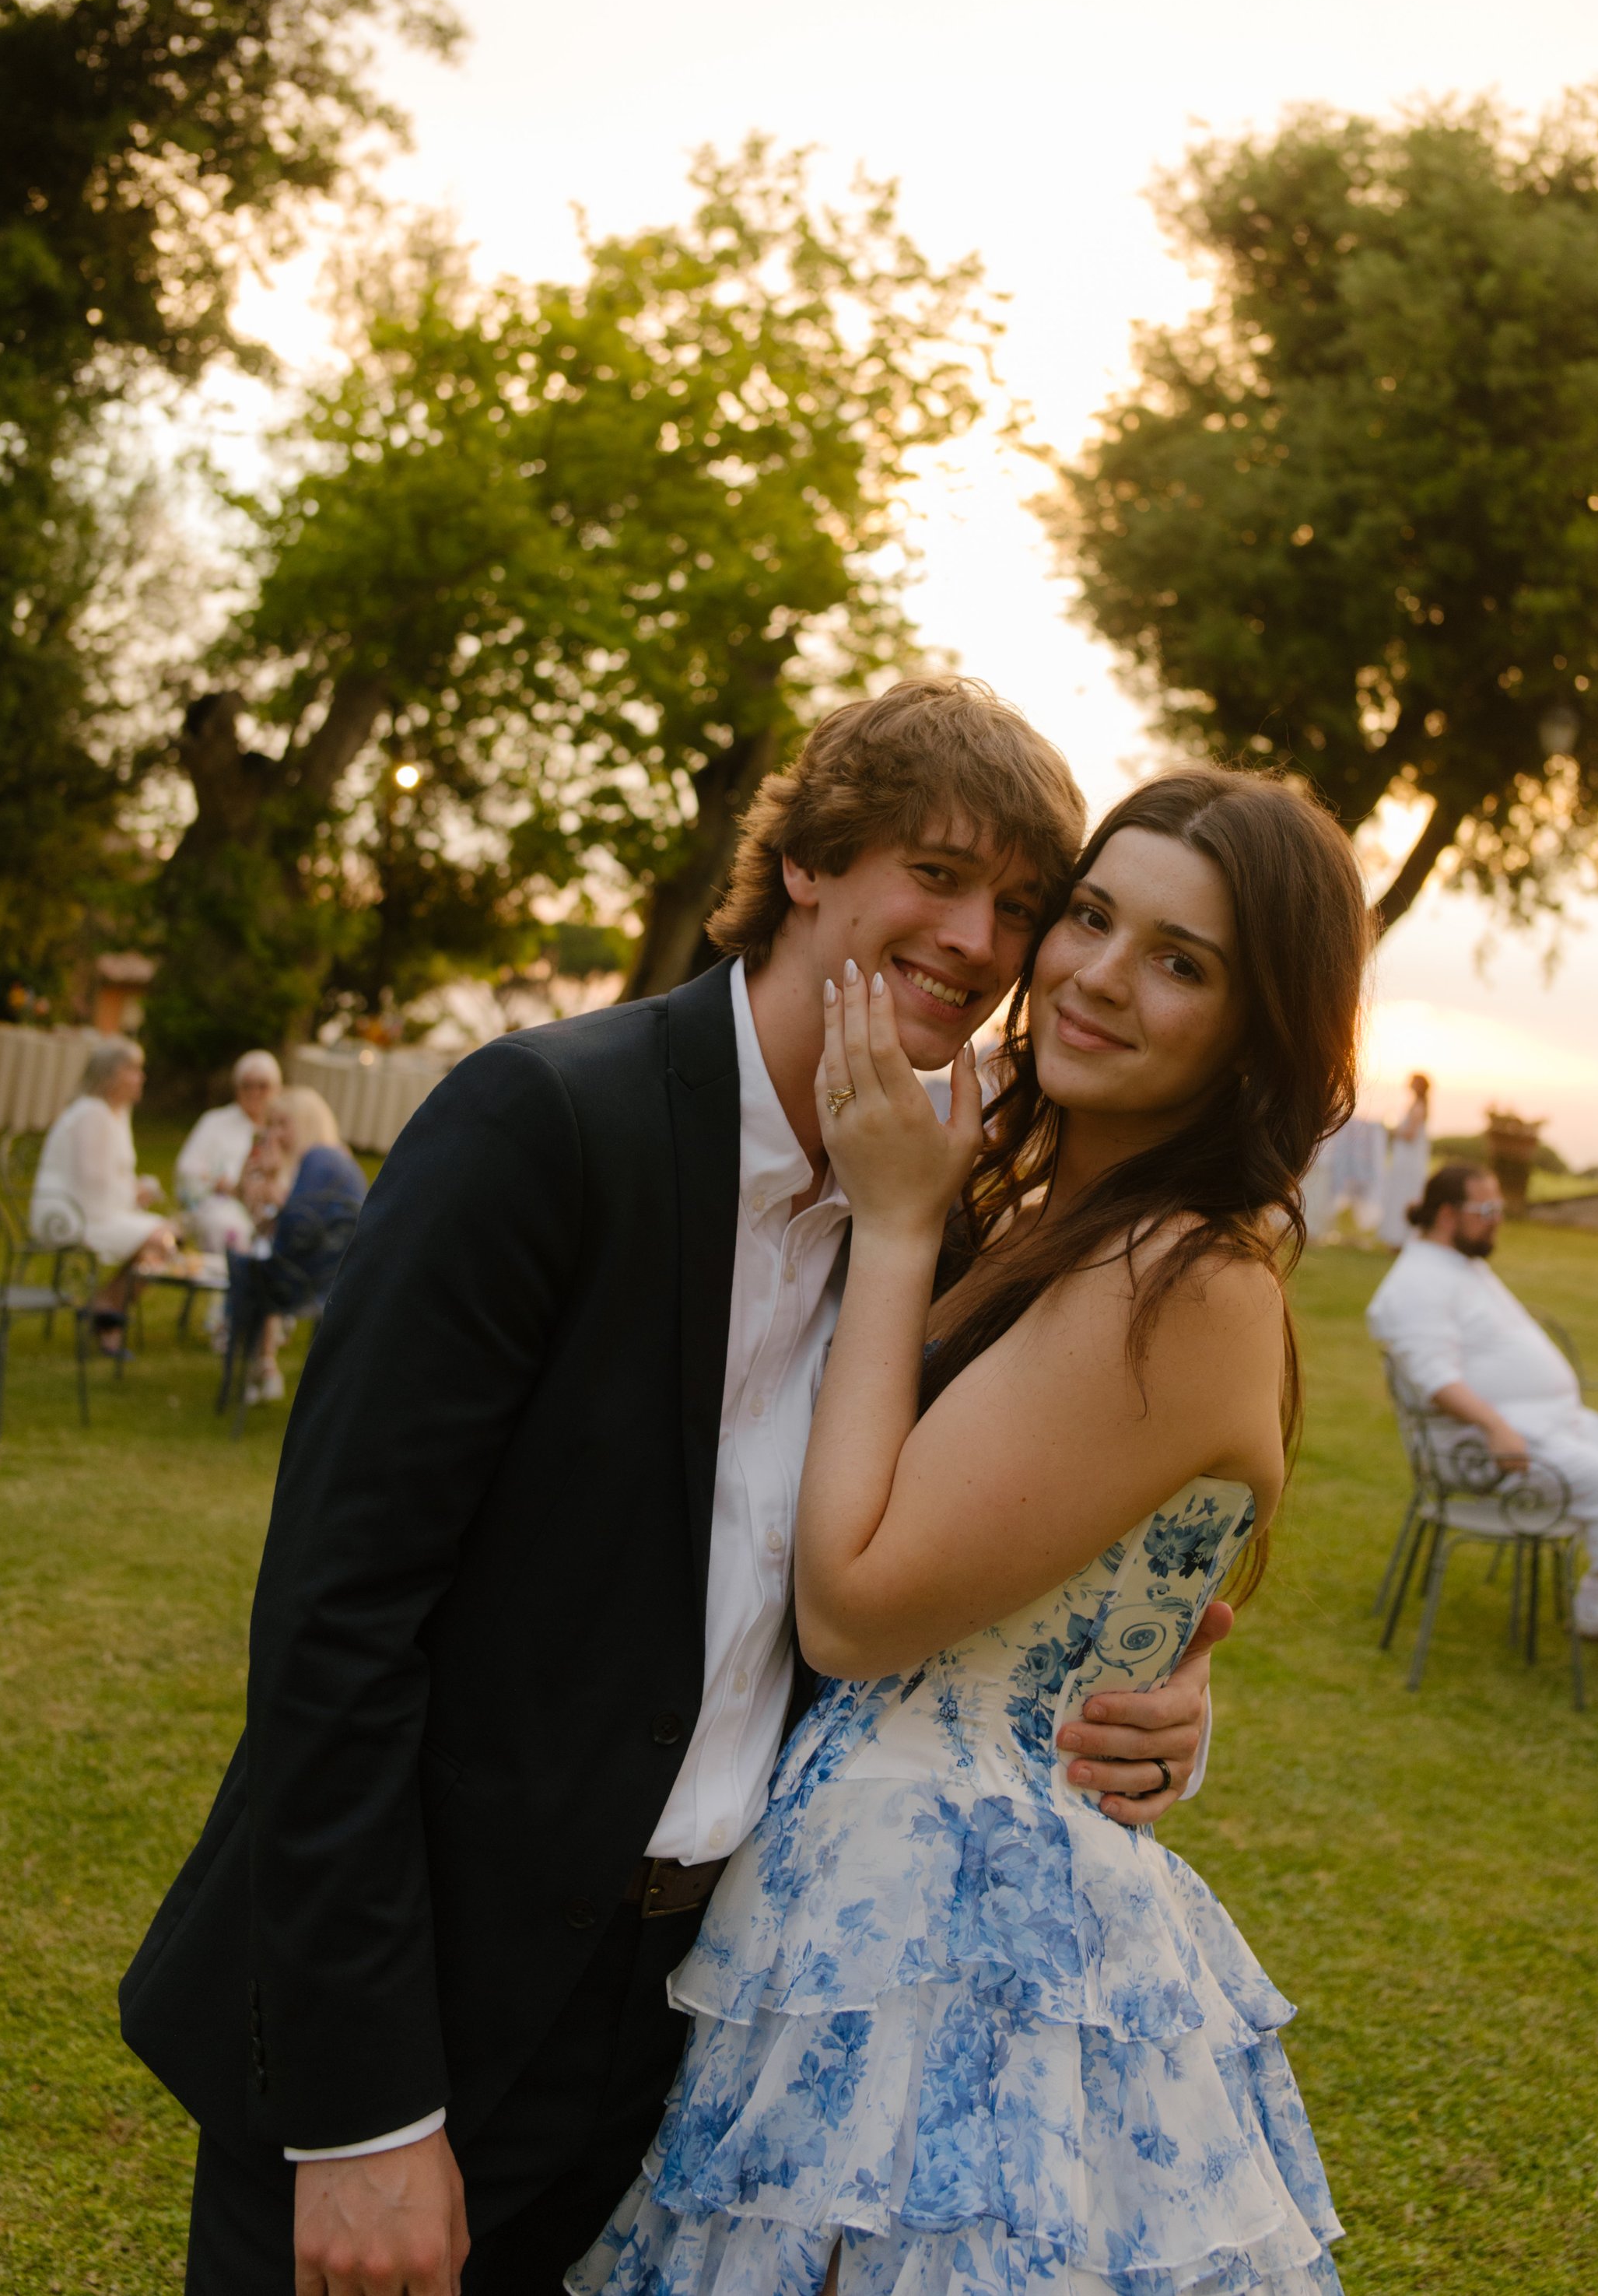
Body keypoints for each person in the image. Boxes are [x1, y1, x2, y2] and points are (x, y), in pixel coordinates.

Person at [116, 678, 1221, 2296]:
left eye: (1018, 907)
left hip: (700, 2033)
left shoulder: (934, 1221)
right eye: (933, 872)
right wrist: (364, 2118)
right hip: (419, 1998)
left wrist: (1171, 1703)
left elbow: (982, 1564)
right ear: (807, 867)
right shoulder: (545, 1124)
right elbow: (334, 1633)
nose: (978, 939)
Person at [574, 764, 1363, 2296]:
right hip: (854, 1892)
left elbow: (858, 1609)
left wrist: (890, 1230)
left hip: (956, 1944)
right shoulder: (1056, 1227)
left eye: (1179, 962)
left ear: (1258, 1026)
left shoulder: (1179, 1277)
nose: (1092, 977)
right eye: (1088, 919)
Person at [1368, 1165, 1598, 1697]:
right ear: (1447, 1216)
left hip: (1553, 1429)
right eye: (1486, 1211)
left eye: (1498, 1209)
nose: (1498, 1221)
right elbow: (1434, 1378)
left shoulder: (1460, 1263)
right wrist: (1495, 1425)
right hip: (1487, 1450)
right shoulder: (1414, 1282)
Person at [30, 1035, 177, 1355]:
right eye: (133, 1070)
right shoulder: (92, 1114)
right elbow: (92, 1185)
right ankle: (108, 1313)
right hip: (69, 1215)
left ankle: (105, 1307)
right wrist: (132, 1194)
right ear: (111, 1076)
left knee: (167, 1236)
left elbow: (107, 1178)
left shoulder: (116, 1114)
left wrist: (135, 1192)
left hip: (92, 1208)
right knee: (162, 1241)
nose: (141, 1077)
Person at [224, 1086, 366, 1407]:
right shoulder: (330, 1159)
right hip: (332, 1277)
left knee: (242, 1266)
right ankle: (261, 1368)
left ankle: (244, 1371)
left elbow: (294, 1230)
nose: (274, 1134)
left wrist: (273, 1187)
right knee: (252, 1264)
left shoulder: (319, 1158)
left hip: (307, 1280)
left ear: (306, 1122)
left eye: (282, 1125)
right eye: (270, 1125)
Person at [175, 1050, 283, 1253]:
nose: (254, 1092)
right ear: (236, 1088)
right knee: (230, 1229)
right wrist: (219, 1184)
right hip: (224, 1206)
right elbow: (187, 1171)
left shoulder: (282, 1127)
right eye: (247, 1085)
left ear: (277, 1089)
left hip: (271, 1206)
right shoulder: (215, 1122)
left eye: (263, 1086)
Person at [1376, 1071, 1432, 1246]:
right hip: (1406, 1158)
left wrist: (1392, 1130)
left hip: (1408, 1161)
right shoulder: (1418, 1105)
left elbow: (1410, 1134)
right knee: (1400, 1194)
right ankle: (1396, 1238)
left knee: (1404, 1194)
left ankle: (1401, 1239)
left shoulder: (1418, 1106)